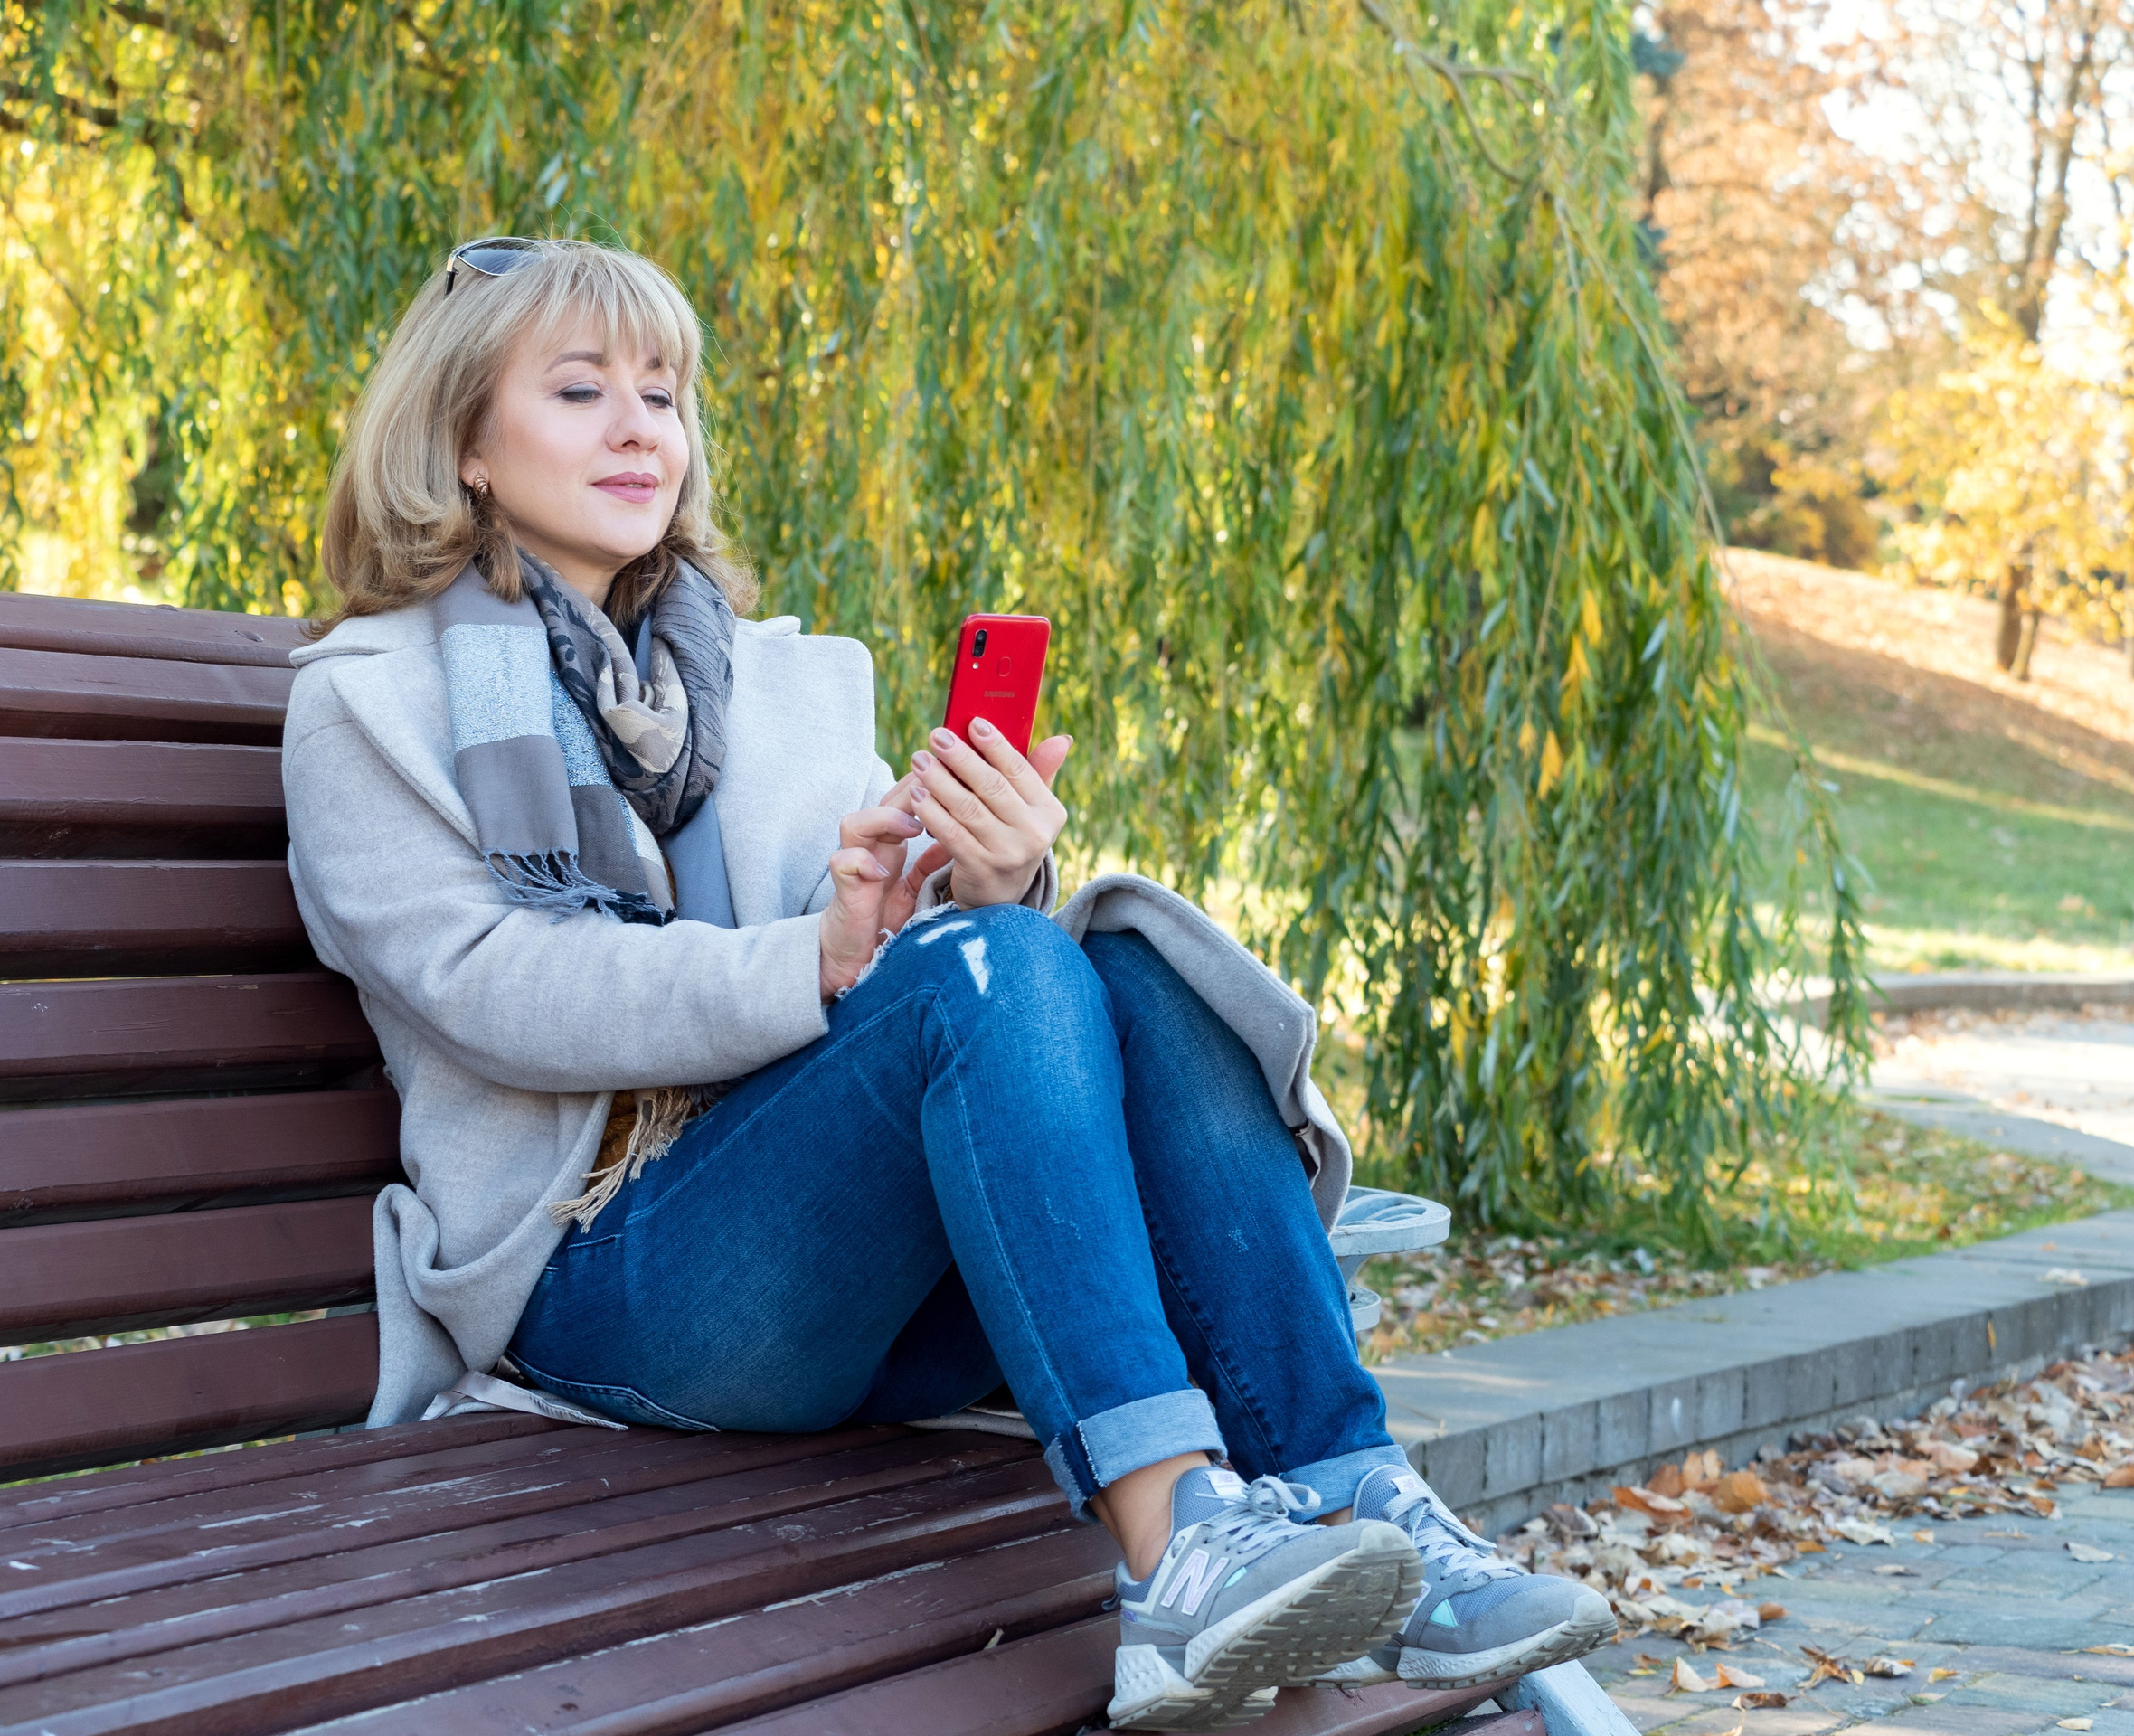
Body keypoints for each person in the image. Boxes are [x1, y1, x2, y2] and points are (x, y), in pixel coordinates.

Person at [282, 235, 1613, 1731]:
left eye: (664, 392)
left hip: (850, 1278)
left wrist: (982, 882)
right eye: (582, 389)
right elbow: (492, 987)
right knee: (989, 968)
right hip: (601, 1283)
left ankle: (1351, 1486)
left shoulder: (777, 683)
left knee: (1104, 953)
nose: (640, 424)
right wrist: (839, 956)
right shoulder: (372, 703)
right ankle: (1175, 1545)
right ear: (464, 442)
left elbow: (901, 973)